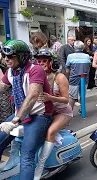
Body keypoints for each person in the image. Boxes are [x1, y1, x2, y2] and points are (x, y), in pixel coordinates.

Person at [0, 40, 53, 179]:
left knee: (26, 155)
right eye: (4, 55)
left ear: (22, 56)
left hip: (39, 115)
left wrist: (16, 120)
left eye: (11, 56)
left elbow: (33, 95)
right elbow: (2, 87)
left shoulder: (35, 70)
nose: (6, 59)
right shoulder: (11, 72)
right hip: (21, 114)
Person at [33, 48, 73, 179]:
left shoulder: (59, 77)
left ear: (52, 62)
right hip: (45, 112)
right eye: (38, 61)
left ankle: (40, 167)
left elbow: (66, 99)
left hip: (62, 112)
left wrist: (51, 98)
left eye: (44, 61)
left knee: (50, 132)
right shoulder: (37, 76)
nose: (41, 63)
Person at [65, 40, 91, 111]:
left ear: (74, 47)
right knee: (82, 95)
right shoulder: (87, 56)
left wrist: (67, 77)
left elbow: (67, 69)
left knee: (72, 96)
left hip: (73, 78)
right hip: (85, 78)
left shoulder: (70, 56)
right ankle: (83, 110)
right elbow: (88, 68)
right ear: (83, 47)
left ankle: (70, 111)